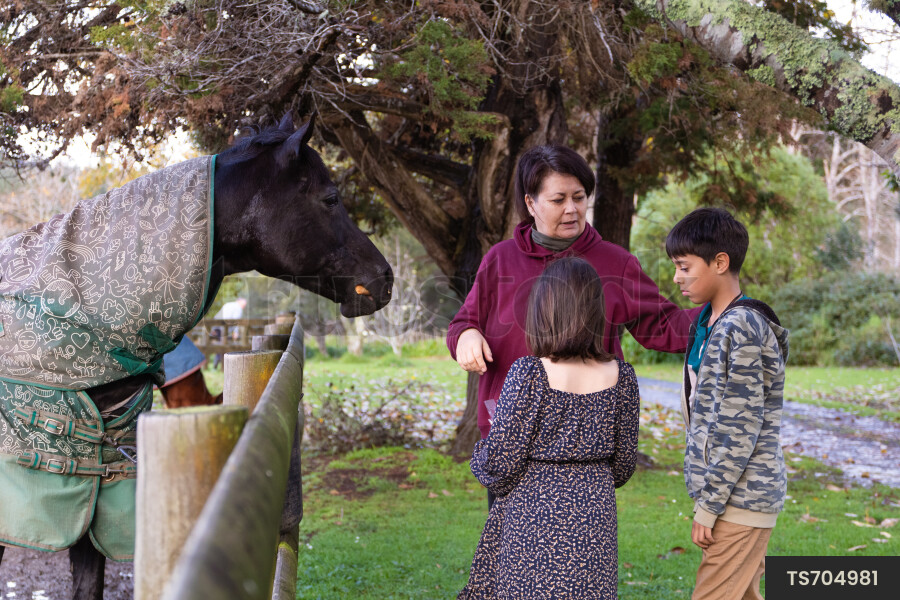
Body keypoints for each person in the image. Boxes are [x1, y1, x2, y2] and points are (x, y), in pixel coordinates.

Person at [447, 144, 697, 505]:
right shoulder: (500, 259)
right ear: (531, 203)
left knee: (579, 552)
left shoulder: (616, 262)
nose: (572, 209)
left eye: (579, 197)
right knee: (512, 554)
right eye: (558, 199)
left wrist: (723, 315)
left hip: (583, 443)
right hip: (511, 438)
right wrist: (466, 336)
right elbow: (462, 323)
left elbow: (662, 324)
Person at [458, 257, 640, 599]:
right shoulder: (623, 377)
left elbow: (500, 464)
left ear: (544, 311)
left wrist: (481, 454)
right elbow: (624, 466)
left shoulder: (528, 374)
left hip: (534, 515)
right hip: (594, 513)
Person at [666, 208, 789, 600]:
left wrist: (709, 506)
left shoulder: (742, 328)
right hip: (731, 500)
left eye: (684, 267)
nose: (676, 278)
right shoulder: (709, 323)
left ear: (720, 262)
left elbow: (739, 429)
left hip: (741, 501)